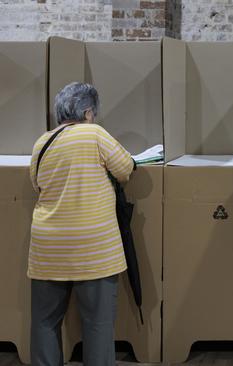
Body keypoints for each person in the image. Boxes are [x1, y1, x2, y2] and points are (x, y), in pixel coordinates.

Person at [29, 82, 135, 366]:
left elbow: (36, 185)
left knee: (44, 322)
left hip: (48, 248)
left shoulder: (42, 142)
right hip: (94, 248)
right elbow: (125, 169)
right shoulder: (95, 134)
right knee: (97, 325)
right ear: (88, 112)